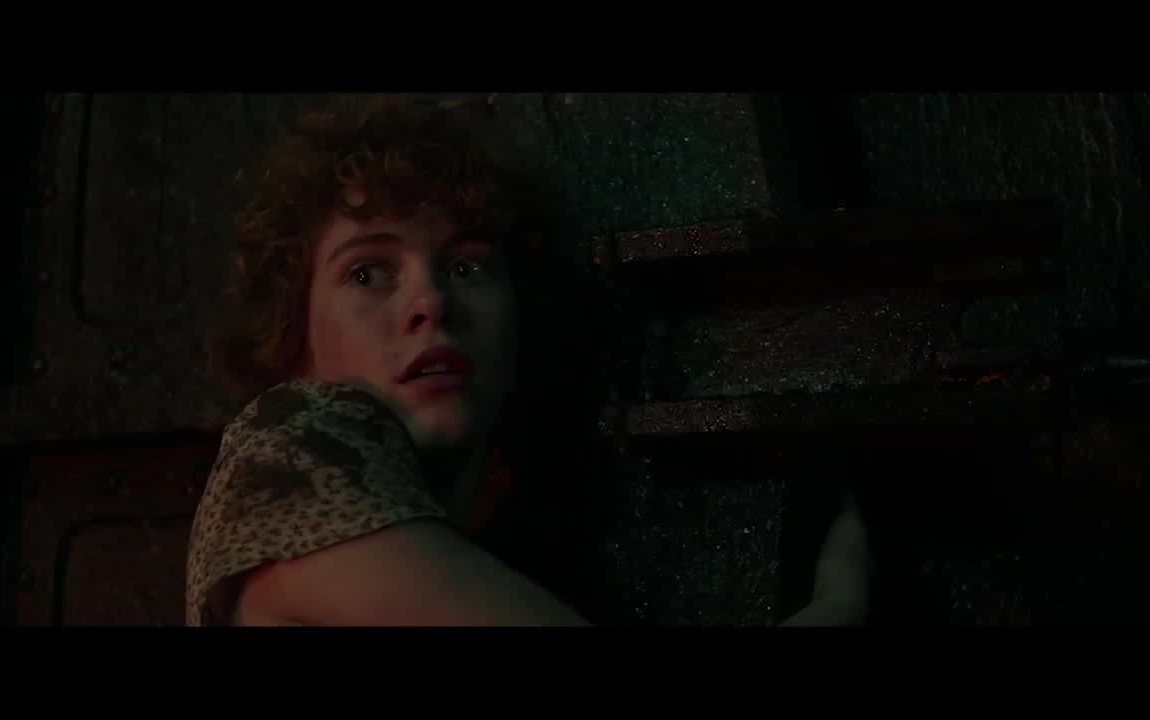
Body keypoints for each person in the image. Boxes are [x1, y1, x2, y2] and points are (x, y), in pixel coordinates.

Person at [184, 94, 871, 626]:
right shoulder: (283, 449)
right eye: (368, 272)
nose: (431, 301)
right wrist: (839, 608)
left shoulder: (492, 535)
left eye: (468, 266)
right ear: (292, 337)